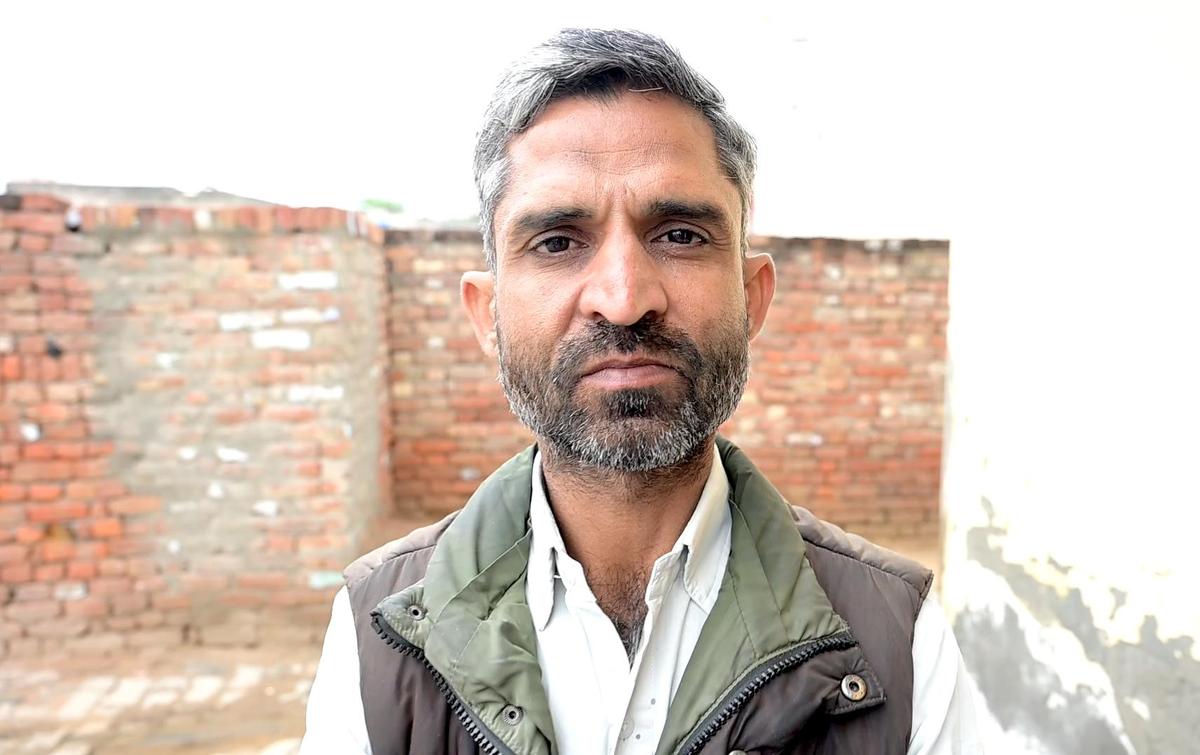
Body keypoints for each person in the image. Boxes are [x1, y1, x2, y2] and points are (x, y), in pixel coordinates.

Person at [300, 28, 979, 755]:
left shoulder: (899, 644)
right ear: (486, 316)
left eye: (680, 234)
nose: (624, 299)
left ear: (753, 297)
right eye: (558, 240)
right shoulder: (377, 639)